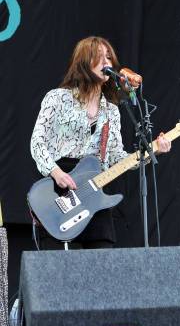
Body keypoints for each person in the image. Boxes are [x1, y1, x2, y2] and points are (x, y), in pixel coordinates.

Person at [30, 36, 171, 249]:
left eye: (109, 57)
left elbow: (116, 157)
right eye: (99, 57)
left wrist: (155, 150)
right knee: (57, 269)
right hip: (61, 183)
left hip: (95, 187)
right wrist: (55, 172)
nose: (107, 62)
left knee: (102, 264)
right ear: (84, 62)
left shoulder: (112, 111)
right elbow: (37, 141)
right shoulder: (57, 98)